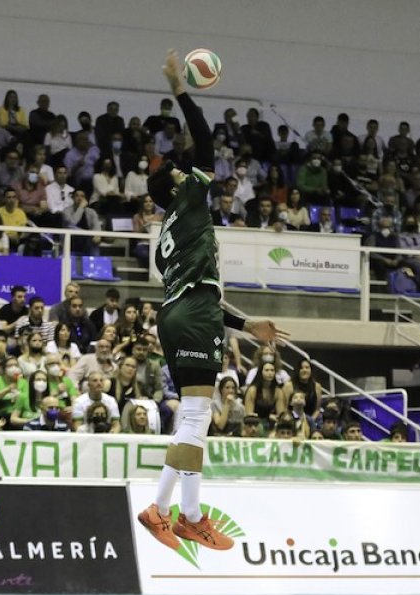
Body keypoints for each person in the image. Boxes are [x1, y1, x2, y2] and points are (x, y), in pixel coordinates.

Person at [135, 52, 287, 554]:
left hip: (177, 316)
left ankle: (164, 509)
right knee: (197, 418)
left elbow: (200, 292)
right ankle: (186, 514)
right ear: (176, 183)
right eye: (180, 170)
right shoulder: (190, 197)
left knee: (192, 416)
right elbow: (204, 140)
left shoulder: (164, 236)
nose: (187, 169)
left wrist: (246, 325)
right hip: (195, 315)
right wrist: (181, 88)